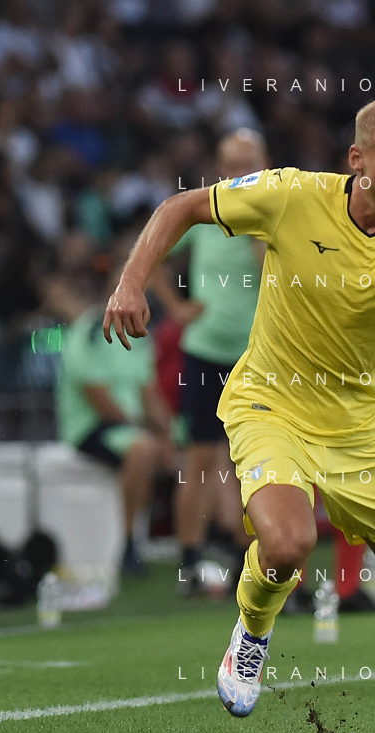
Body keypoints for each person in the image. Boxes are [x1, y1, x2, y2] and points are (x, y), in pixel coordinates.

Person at [103, 95, 375, 733]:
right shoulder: (291, 195)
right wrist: (129, 284)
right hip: (272, 403)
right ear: (356, 160)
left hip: (361, 425)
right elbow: (180, 206)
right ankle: (251, 632)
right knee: (288, 542)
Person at [149, 128, 266, 596]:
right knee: (198, 457)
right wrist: (175, 308)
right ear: (221, 168)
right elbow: (152, 253)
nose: (239, 174)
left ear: (264, 165)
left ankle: (247, 554)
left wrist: (260, 230)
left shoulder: (276, 215)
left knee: (253, 461)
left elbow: (277, 273)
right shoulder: (203, 212)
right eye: (232, 166)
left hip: (255, 354)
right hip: (204, 351)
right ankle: (191, 559)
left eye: (248, 165)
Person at [57, 268, 176, 576]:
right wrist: (147, 430)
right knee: (143, 449)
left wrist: (169, 434)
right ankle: (129, 544)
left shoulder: (139, 335)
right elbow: (97, 397)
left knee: (188, 446)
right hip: (92, 426)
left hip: (129, 425)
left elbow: (149, 392)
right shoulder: (89, 332)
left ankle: (192, 543)